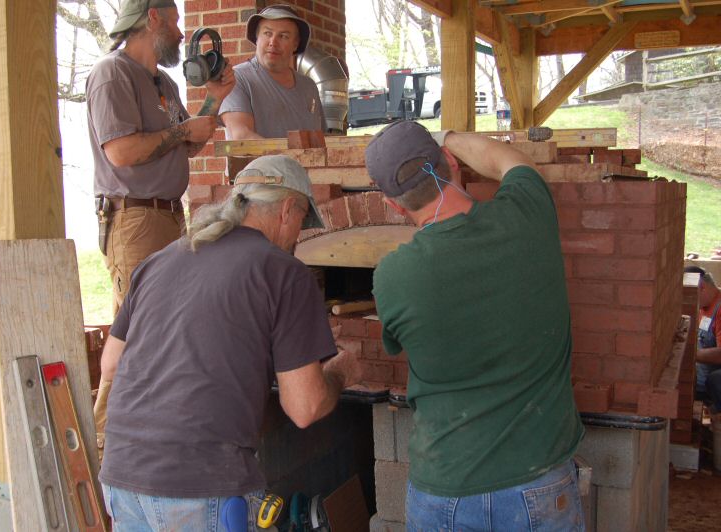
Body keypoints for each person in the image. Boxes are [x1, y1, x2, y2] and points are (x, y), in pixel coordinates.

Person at [97, 155, 362, 530]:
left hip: (122, 478)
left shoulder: (158, 261)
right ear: (288, 209)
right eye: (303, 221)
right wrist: (339, 374)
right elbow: (304, 407)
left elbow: (111, 366)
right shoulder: (283, 272)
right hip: (200, 486)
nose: (298, 236)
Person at [365, 121, 585, 531]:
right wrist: (450, 138)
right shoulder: (528, 213)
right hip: (537, 482)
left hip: (443, 490)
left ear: (394, 205)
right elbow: (512, 161)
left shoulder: (393, 276)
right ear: (450, 162)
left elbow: (398, 343)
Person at [87, 0, 234, 447]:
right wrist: (180, 134)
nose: (179, 31)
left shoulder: (163, 82)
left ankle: (149, 437)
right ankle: (104, 448)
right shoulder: (112, 73)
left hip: (169, 216)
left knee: (164, 328)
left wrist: (215, 98)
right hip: (134, 218)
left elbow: (183, 143)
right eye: (174, 21)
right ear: (151, 18)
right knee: (132, 331)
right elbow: (122, 152)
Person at [219, 4, 325, 139]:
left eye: (283, 36)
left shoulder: (309, 87)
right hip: (262, 161)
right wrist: (288, 160)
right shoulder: (236, 79)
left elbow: (321, 141)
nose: (273, 42)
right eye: (267, 33)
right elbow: (241, 137)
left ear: (295, 43)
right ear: (257, 38)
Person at [684, 266, 721, 415]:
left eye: (689, 295)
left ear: (702, 288)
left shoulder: (719, 309)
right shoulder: (703, 306)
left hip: (712, 382)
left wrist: (689, 355)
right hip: (701, 380)